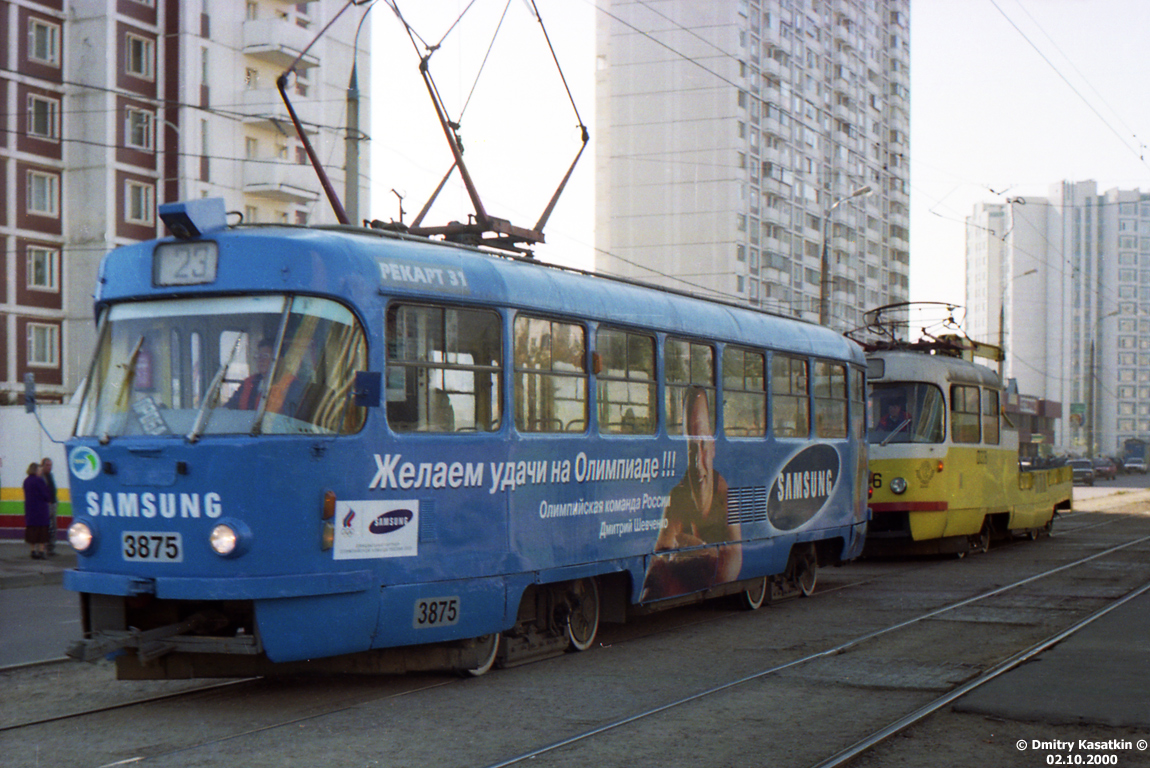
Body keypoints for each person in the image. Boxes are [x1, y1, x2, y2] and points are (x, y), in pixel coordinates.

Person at [641, 386, 742, 600]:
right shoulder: (678, 496)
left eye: (703, 446)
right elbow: (656, 567)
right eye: (691, 448)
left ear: (713, 447)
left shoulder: (725, 495)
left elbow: (732, 565)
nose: (698, 464)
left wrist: (694, 549)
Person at [225, 338, 304, 416]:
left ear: (280, 360)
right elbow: (229, 408)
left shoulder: (293, 385)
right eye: (258, 356)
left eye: (265, 356)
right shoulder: (248, 383)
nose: (260, 360)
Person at [23, 463, 51, 560]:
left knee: (32, 530)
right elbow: (46, 495)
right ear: (35, 470)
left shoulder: (26, 481)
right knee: (42, 531)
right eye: (39, 470)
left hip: (30, 509)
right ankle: (41, 551)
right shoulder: (39, 481)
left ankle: (33, 550)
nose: (41, 471)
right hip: (41, 510)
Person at [40, 457, 57, 556]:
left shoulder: (50, 475)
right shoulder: (41, 477)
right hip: (45, 505)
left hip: (53, 504)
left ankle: (51, 548)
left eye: (50, 465)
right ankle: (44, 548)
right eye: (47, 465)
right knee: (45, 527)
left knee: (54, 527)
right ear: (42, 466)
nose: (49, 467)